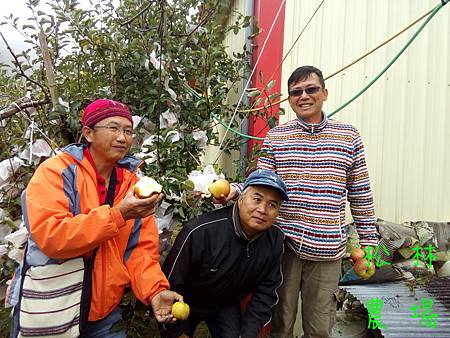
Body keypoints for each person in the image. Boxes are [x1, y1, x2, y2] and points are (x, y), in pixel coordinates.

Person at [221, 66, 379, 338]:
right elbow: (261, 182)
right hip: (284, 248)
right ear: (290, 99)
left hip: (328, 250)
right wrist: (235, 191)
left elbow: (360, 194)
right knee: (280, 324)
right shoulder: (277, 137)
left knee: (319, 328)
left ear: (324, 93)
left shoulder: (348, 136)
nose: (303, 96)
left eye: (311, 89)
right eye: (296, 92)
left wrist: (370, 244)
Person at [7, 99, 182, 337]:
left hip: (104, 316)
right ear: (88, 133)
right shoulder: (56, 172)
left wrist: (155, 291)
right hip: (54, 306)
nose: (122, 137)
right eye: (113, 128)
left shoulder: (133, 186)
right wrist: (119, 214)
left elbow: (139, 250)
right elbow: (53, 236)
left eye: (128, 131)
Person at [159, 169, 289, 338]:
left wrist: (248, 333)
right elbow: (169, 283)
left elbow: (266, 293)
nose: (263, 209)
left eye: (272, 205)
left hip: (225, 303)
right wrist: (174, 332)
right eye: (257, 199)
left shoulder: (275, 240)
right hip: (185, 300)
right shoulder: (200, 231)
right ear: (240, 200)